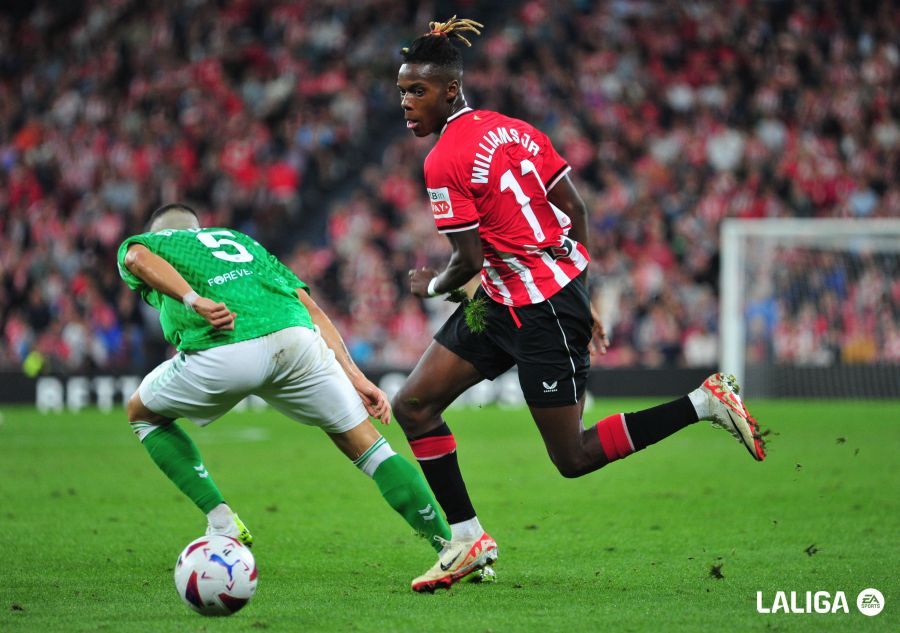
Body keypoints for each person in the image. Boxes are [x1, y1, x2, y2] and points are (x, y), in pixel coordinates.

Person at [393, 17, 767, 592]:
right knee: (415, 405)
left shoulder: (442, 159)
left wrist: (430, 287)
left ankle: (703, 402)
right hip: (509, 301)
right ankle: (467, 540)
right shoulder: (516, 130)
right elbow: (576, 209)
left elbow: (464, 263)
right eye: (401, 91)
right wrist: (580, 290)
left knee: (573, 457)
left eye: (416, 91)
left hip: (539, 311)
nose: (406, 103)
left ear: (450, 90)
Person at [117, 203, 452, 578]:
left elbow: (135, 257)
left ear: (161, 230)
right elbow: (310, 308)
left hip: (226, 348)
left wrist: (193, 300)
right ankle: (450, 546)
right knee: (371, 448)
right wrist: (356, 377)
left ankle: (222, 520)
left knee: (141, 413)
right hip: (296, 341)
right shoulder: (241, 240)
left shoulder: (154, 242)